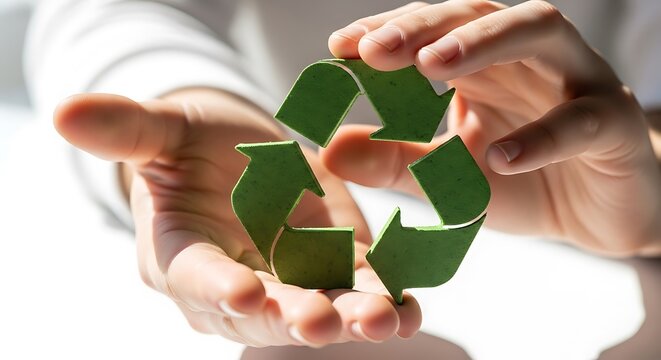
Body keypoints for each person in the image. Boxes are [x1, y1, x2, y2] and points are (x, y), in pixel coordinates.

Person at [26, 0, 661, 348]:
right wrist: (184, 94)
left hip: (595, 219)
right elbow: (112, 12)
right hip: (281, 177)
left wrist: (649, 175)